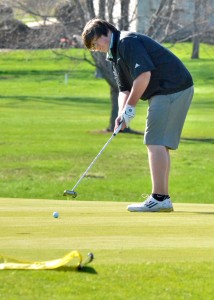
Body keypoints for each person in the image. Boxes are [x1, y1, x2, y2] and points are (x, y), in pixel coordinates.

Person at [81, 18, 194, 212]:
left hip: (171, 87)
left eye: (95, 43)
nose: (95, 48)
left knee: (154, 141)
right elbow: (124, 88)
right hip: (171, 88)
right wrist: (121, 113)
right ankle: (162, 198)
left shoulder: (127, 42)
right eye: (92, 47)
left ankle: (159, 198)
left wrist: (131, 108)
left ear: (104, 33)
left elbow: (144, 76)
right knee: (159, 142)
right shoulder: (114, 53)